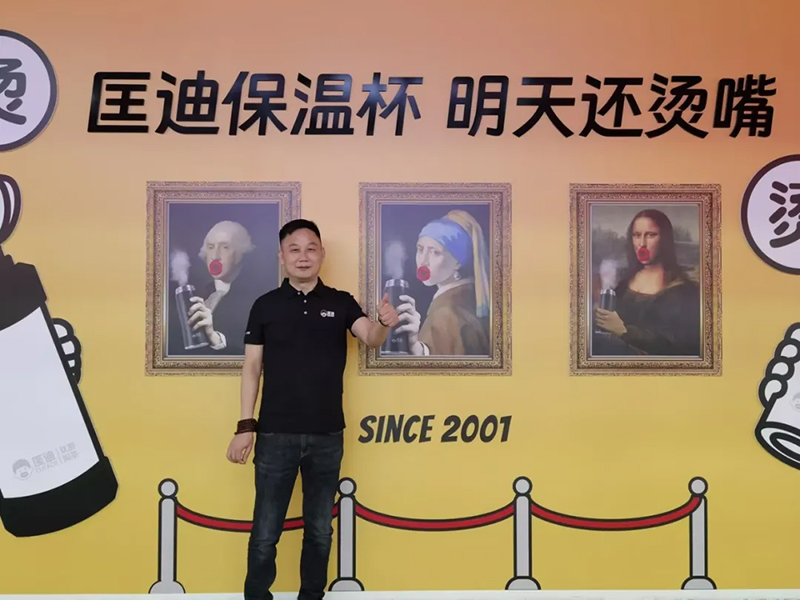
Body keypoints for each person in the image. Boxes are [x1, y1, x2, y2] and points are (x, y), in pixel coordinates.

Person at [225, 219, 399, 600]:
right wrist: (245, 426)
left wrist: (384, 324)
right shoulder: (265, 306)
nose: (303, 257)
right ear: (281, 256)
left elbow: (370, 337)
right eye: (294, 249)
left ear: (322, 254)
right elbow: (252, 367)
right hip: (274, 436)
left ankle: (311, 596)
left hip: (327, 436)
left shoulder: (340, 302)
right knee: (265, 531)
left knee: (320, 530)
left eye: (311, 249)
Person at [593, 209, 701, 357]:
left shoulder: (684, 291)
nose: (642, 244)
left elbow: (679, 345)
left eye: (651, 235)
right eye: (637, 235)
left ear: (664, 239)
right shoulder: (624, 283)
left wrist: (624, 331)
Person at [394, 209, 491, 356]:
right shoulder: (468, 299)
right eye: (420, 249)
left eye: (435, 252)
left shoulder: (446, 314)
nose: (423, 261)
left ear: (458, 262)